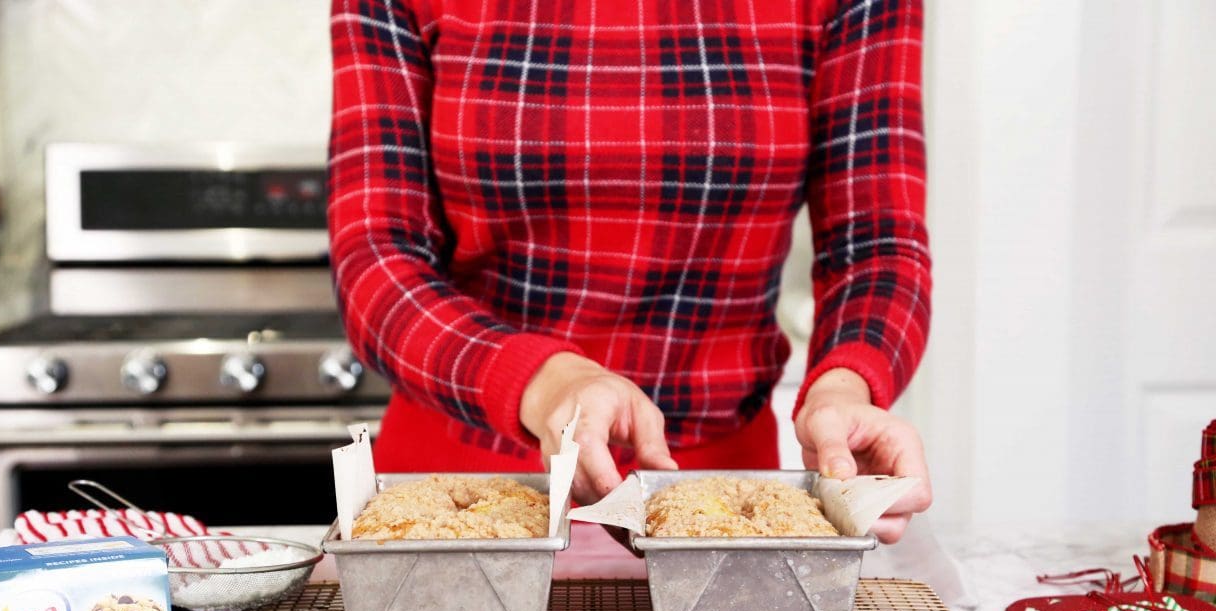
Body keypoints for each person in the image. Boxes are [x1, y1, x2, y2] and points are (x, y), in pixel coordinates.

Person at [327, 0, 932, 543]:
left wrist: (843, 389)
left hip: (721, 507)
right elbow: (375, 257)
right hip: (455, 495)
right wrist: (545, 383)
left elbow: (876, 248)